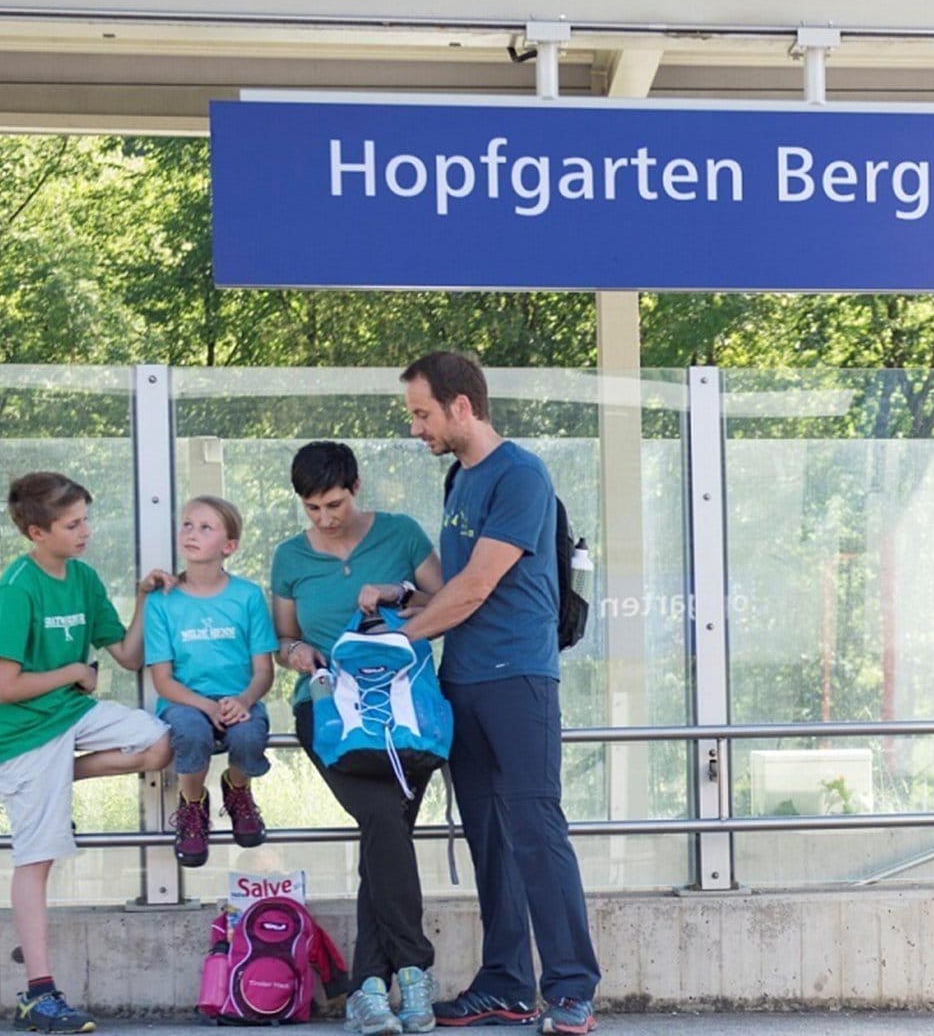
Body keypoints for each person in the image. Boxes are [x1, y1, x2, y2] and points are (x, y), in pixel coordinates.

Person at [396, 352, 600, 1034]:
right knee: (489, 836)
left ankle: (570, 986)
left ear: (462, 406)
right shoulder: (460, 479)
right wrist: (400, 607)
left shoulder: (520, 474)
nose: (417, 428)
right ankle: (507, 983)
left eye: (423, 414)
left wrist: (406, 640)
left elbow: (481, 585)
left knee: (537, 829)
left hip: (519, 679)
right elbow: (455, 590)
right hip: (464, 680)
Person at [0, 472, 174, 1034]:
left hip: (69, 715)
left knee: (159, 742)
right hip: (20, 730)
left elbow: (129, 657)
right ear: (37, 532)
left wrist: (141, 598)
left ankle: (54, 777)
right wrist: (70, 671)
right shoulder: (16, 590)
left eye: (86, 518)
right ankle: (38, 995)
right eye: (73, 524)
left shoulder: (84, 578)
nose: (86, 531)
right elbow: (7, 687)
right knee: (36, 857)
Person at [268, 441, 444, 1036]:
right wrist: (299, 656)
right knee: (382, 819)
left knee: (383, 831)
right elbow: (281, 638)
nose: (325, 518)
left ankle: (369, 988)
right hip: (328, 713)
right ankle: (415, 969)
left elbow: (447, 603)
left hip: (403, 712)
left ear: (356, 486)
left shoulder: (400, 534)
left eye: (334, 503)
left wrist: (396, 593)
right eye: (312, 508)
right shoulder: (289, 556)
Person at [144, 495, 277, 869]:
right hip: (185, 701)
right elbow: (163, 680)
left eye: (205, 527)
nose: (192, 533)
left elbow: (264, 670)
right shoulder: (162, 602)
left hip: (239, 698)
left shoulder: (247, 596)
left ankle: (237, 791)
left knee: (249, 736)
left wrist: (245, 700)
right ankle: (192, 805)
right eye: (187, 524)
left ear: (229, 546)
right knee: (190, 732)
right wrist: (204, 706)